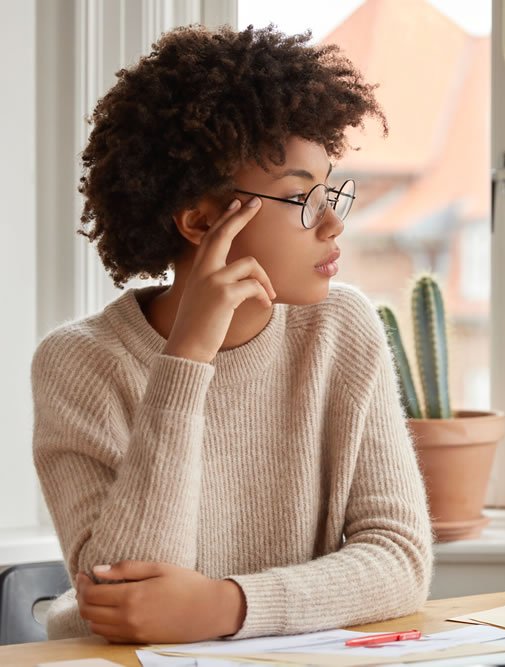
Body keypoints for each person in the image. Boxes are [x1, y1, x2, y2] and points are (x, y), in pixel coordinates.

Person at [30, 23, 433, 643]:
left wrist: (228, 606)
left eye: (333, 191)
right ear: (200, 221)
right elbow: (123, 602)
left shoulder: (340, 328)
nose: (332, 224)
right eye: (301, 199)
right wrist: (186, 362)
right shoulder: (80, 363)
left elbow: (400, 560)